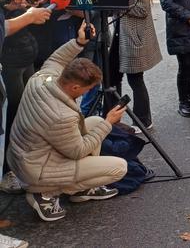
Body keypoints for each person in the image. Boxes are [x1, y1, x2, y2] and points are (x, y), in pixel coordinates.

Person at [7, 22, 127, 222]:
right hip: (37, 171)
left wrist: (80, 42)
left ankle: (82, 188)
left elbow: (56, 58)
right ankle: (45, 194)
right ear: (74, 87)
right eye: (87, 89)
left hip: (26, 157)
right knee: (119, 167)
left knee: (94, 122)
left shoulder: (42, 78)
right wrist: (109, 123)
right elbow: (78, 151)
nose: (88, 92)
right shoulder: (61, 116)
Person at [0, 0, 52, 193]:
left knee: (26, 117)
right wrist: (29, 16)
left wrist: (18, 5)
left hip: (25, 58)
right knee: (10, 119)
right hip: (9, 64)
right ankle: (6, 171)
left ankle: (21, 165)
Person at [109, 0, 162, 130]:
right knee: (112, 79)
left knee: (135, 80)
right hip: (121, 38)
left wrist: (118, 3)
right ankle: (112, 119)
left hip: (132, 40)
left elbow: (142, 9)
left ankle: (143, 120)